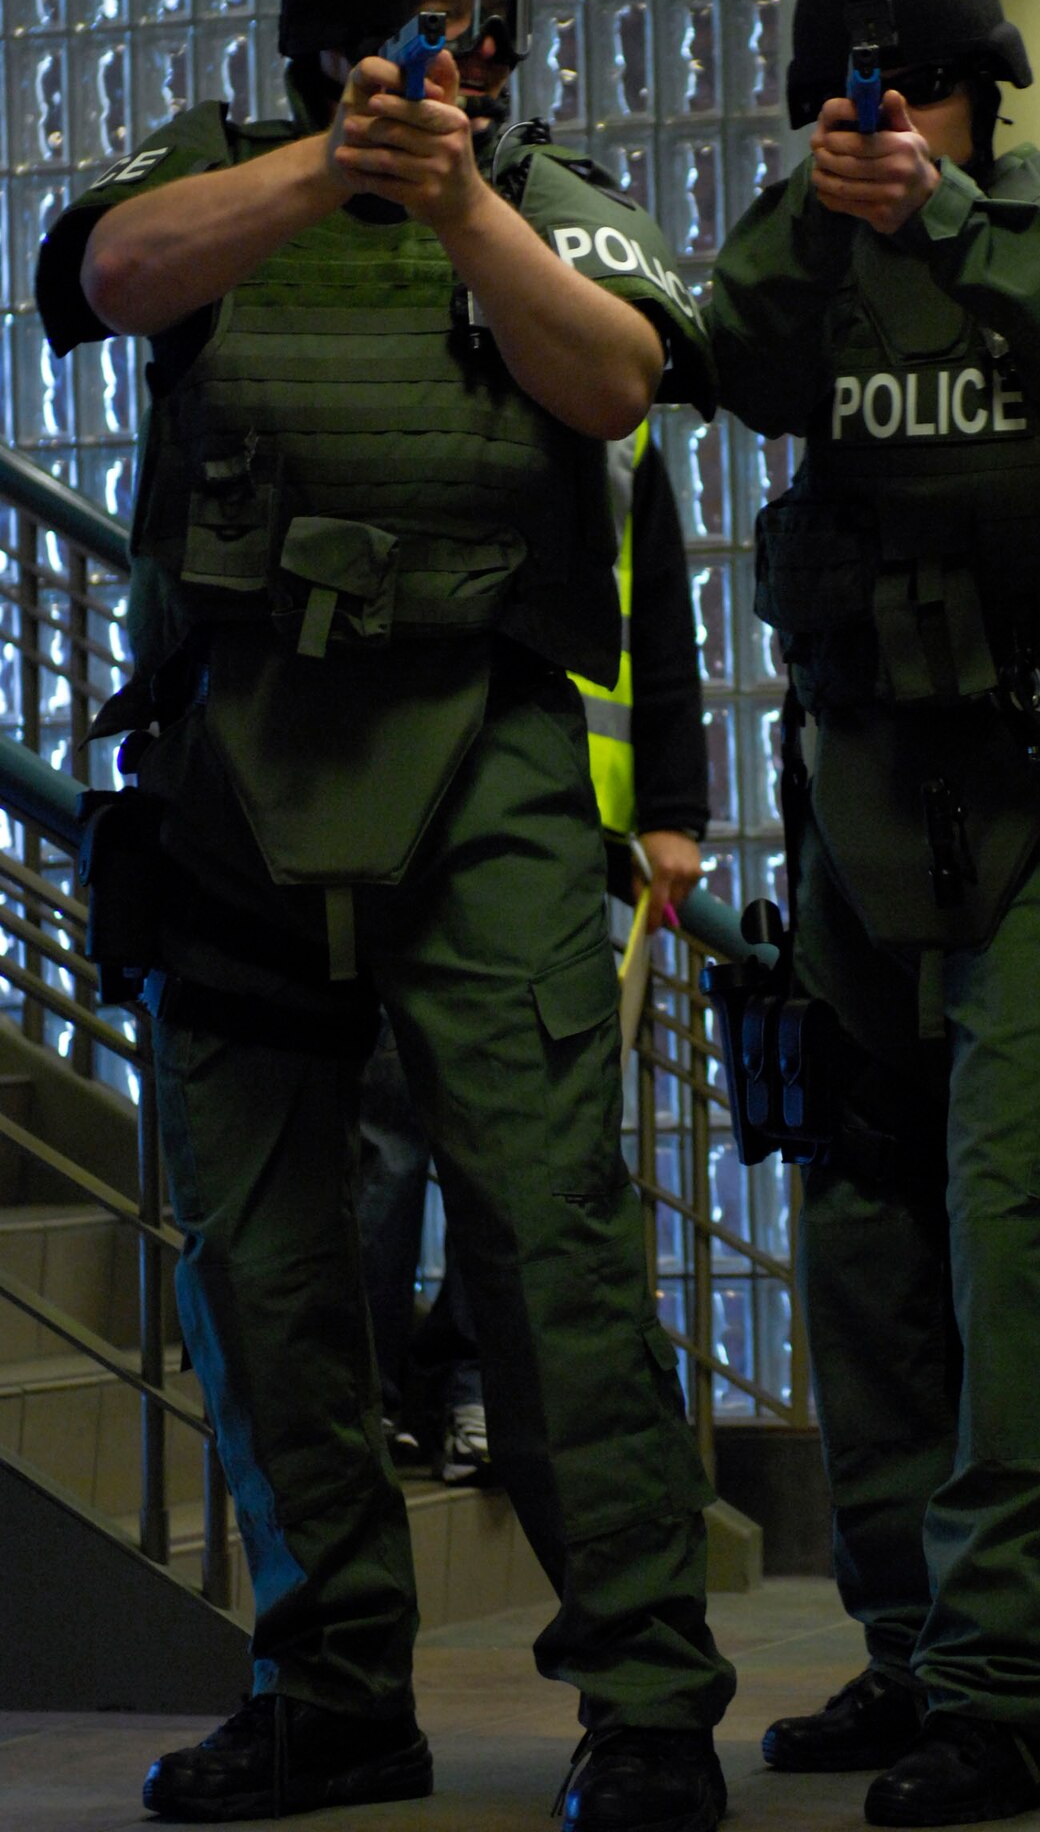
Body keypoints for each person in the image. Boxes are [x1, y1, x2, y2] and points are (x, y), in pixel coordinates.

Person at [36, 0, 733, 1829]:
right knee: (262, 1262)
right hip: (231, 774)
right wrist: (323, 175)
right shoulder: (213, 174)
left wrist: (459, 204)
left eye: (494, 25)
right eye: (443, 19)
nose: (480, 56)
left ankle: (649, 1703)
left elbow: (612, 380)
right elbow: (106, 278)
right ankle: (333, 1683)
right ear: (342, 33)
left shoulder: (558, 206)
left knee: (550, 1248)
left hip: (484, 778)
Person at [709, 0, 1040, 1826]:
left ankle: (1003, 1694)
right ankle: (906, 1651)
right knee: (858, 1248)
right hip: (851, 813)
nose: (877, 128)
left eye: (906, 95)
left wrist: (946, 227)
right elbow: (693, 347)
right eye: (844, 105)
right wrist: (821, 215)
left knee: (1008, 1249)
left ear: (975, 99)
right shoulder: (805, 267)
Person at [358, 422, 710, 1486]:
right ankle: (373, 1397)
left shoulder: (605, 407)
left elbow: (657, 617)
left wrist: (675, 808)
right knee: (383, 1129)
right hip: (375, 815)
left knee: (510, 1132)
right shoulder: (377, 368)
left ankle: (473, 1387)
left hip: (555, 838)